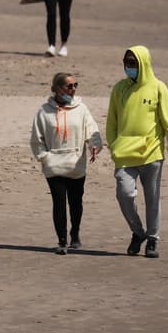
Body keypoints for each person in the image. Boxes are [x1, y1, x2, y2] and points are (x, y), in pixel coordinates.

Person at [107, 46, 168, 259]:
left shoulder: (158, 88)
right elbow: (111, 121)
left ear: (144, 64)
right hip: (124, 154)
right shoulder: (119, 89)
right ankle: (138, 232)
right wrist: (113, 145)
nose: (129, 67)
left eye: (133, 63)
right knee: (125, 194)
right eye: (126, 62)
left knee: (152, 199)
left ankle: (152, 239)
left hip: (151, 154)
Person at [31, 72, 104, 254]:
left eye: (75, 85)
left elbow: (91, 129)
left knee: (75, 201)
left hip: (76, 163)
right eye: (68, 86)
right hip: (53, 164)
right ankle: (62, 240)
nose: (72, 89)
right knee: (59, 201)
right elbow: (36, 139)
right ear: (56, 88)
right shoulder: (43, 111)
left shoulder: (81, 109)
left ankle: (75, 234)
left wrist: (94, 145)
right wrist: (44, 157)